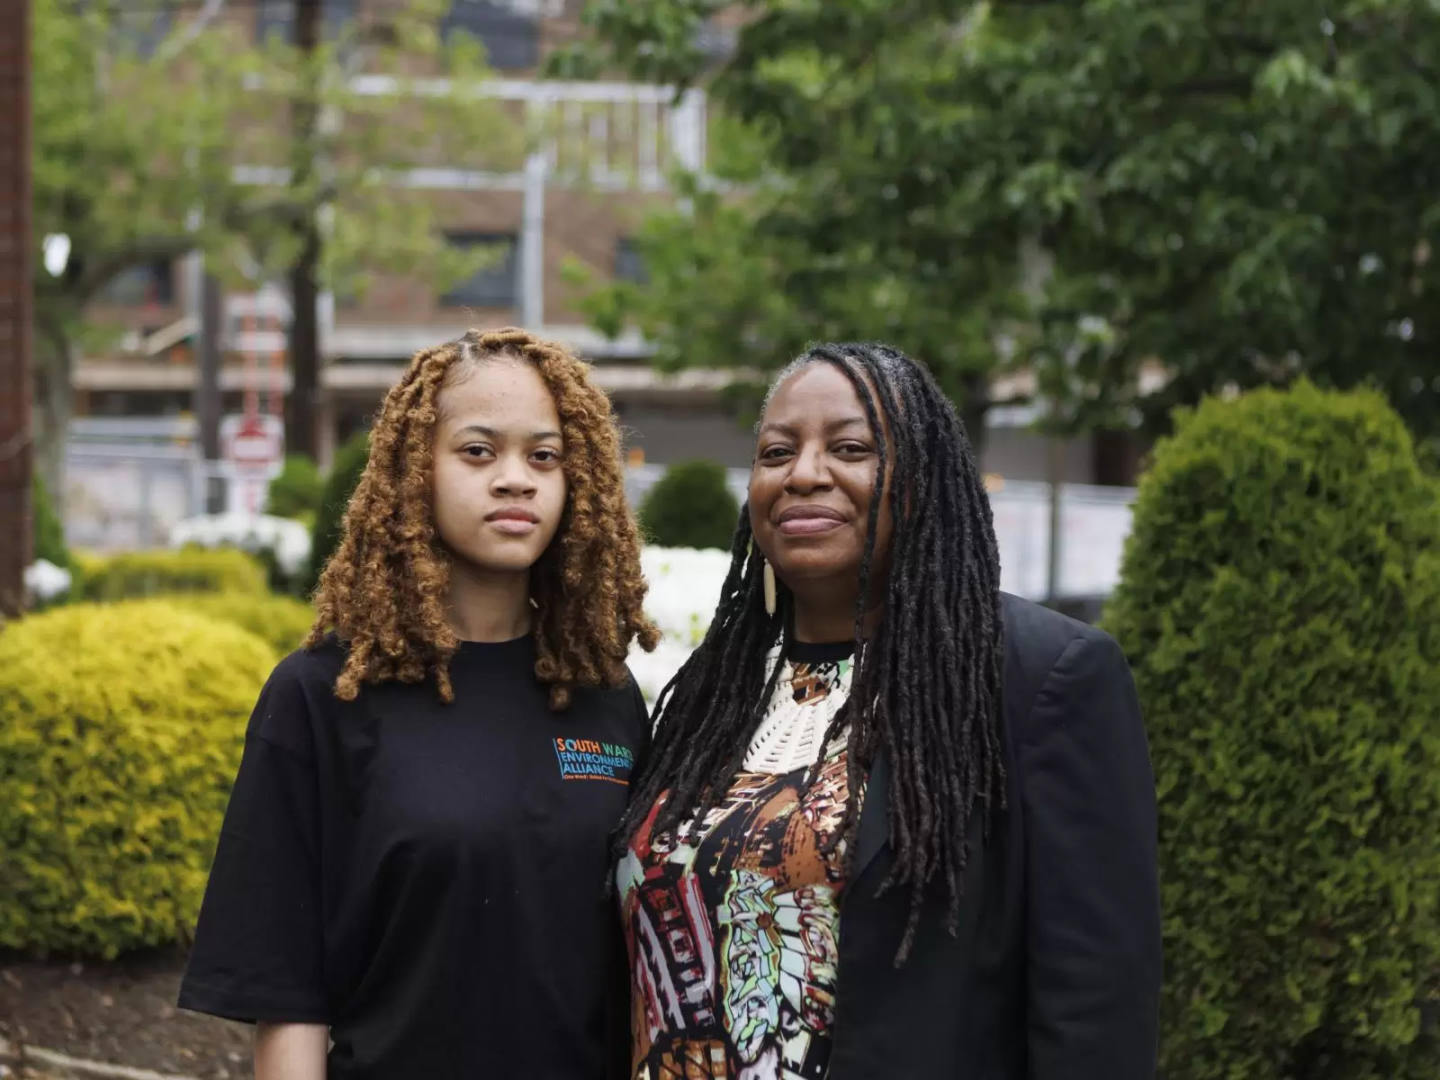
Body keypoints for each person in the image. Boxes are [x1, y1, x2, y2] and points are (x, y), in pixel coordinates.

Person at [615, 343, 1161, 1079]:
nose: (804, 474)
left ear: (924, 478)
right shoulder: (712, 695)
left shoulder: (1038, 680)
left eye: (850, 448)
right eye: (777, 451)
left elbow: (1095, 1011)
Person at [179, 327, 661, 1080]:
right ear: (415, 471)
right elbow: (286, 994)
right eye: (478, 451)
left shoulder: (604, 693)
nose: (516, 480)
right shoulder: (321, 695)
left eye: (544, 456)